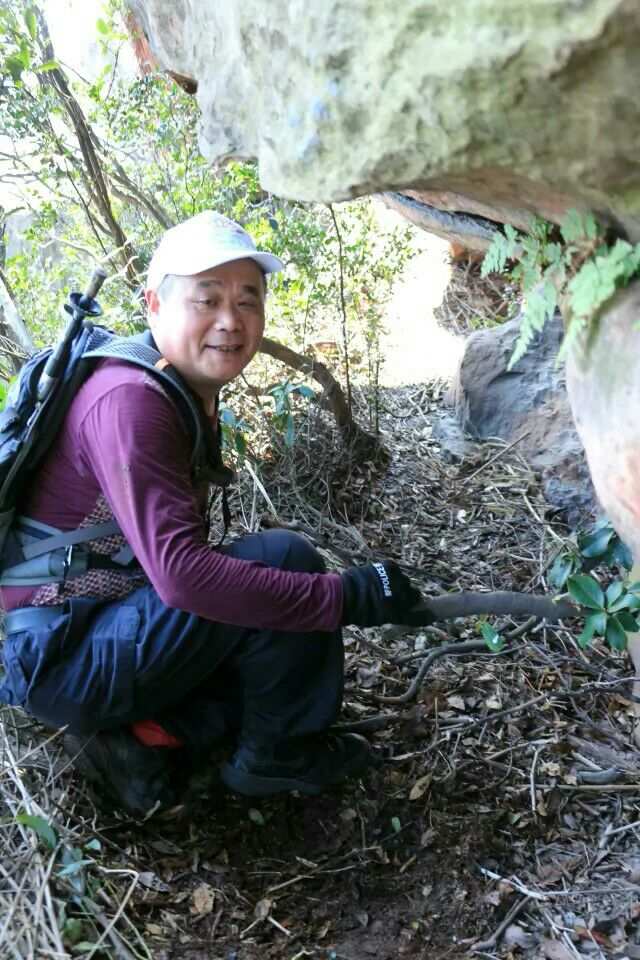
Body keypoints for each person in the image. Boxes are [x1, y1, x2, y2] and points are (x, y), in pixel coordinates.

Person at [0, 211, 428, 815]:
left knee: (264, 624)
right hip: (61, 651)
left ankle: (141, 739)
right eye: (207, 299)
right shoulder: (131, 403)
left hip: (84, 628)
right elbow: (183, 577)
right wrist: (344, 597)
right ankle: (272, 761)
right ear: (153, 304)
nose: (231, 321)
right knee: (289, 561)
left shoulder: (167, 382)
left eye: (247, 300)